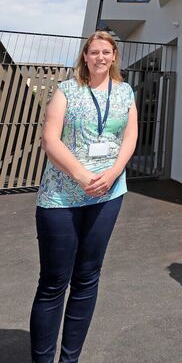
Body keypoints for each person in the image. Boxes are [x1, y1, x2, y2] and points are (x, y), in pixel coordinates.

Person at [30, 31, 138, 363]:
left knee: (87, 277)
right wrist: (81, 176)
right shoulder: (67, 90)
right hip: (61, 198)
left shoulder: (125, 92)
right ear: (85, 56)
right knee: (53, 282)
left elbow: (130, 136)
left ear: (115, 56)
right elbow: (50, 139)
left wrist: (114, 173)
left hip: (107, 195)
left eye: (106, 52)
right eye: (94, 52)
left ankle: (70, 359)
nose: (100, 57)